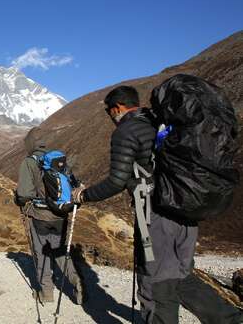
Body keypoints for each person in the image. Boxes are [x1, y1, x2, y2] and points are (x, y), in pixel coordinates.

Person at [72, 85, 242, 323]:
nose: (112, 118)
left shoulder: (127, 130)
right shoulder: (161, 122)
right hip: (185, 210)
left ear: (118, 108)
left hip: (155, 216)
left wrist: (84, 195)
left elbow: (116, 180)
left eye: (110, 112)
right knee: (181, 277)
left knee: (155, 285)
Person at [15, 130, 85, 304]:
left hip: (39, 217)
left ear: (30, 143)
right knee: (60, 250)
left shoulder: (29, 162)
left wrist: (17, 198)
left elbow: (24, 194)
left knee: (42, 253)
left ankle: (46, 293)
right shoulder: (56, 160)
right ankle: (77, 281)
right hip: (61, 215)